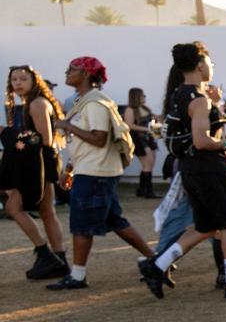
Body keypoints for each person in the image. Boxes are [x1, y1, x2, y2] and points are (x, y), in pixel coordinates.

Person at [139, 41, 226, 299]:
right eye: (210, 62)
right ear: (200, 65)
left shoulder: (179, 94)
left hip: (190, 168)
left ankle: (157, 266)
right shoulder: (198, 100)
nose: (212, 66)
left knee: (205, 226)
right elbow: (201, 140)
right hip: (207, 167)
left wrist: (216, 106)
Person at [43, 56, 154, 291]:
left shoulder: (94, 103)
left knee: (81, 224)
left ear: (85, 73)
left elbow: (99, 137)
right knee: (116, 221)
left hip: (95, 172)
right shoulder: (85, 101)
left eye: (72, 69)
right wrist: (71, 168)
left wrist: (66, 126)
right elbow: (85, 141)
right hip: (94, 170)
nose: (66, 72)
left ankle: (77, 276)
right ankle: (156, 260)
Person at [4, 65, 71, 280]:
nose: (18, 83)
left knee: (13, 207)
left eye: (23, 78)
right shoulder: (27, 104)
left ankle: (46, 255)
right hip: (37, 162)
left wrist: (9, 135)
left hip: (39, 164)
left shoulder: (37, 104)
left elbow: (44, 140)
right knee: (47, 212)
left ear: (35, 81)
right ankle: (59, 261)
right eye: (14, 79)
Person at [123, 86, 160, 198]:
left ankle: (141, 189)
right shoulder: (130, 110)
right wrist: (147, 129)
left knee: (150, 163)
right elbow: (129, 125)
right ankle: (148, 191)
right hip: (139, 139)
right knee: (147, 163)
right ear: (136, 96)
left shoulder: (145, 108)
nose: (144, 97)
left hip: (149, 138)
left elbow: (152, 121)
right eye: (142, 95)